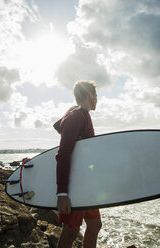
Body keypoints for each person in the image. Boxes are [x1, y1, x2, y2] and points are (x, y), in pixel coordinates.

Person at [53, 80, 102, 248]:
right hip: (76, 186)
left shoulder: (82, 115)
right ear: (90, 95)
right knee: (71, 231)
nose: (97, 99)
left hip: (87, 185)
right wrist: (62, 193)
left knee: (95, 225)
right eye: (96, 96)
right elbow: (63, 154)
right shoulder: (76, 116)